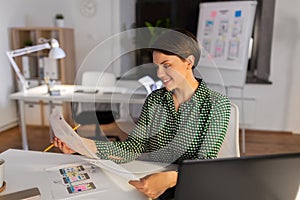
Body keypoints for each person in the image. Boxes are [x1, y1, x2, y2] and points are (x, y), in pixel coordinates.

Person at [54, 28, 231, 199]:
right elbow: (132, 148)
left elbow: (204, 165)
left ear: (189, 62)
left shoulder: (216, 105)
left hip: (191, 186)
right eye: (157, 66)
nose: (160, 73)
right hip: (150, 180)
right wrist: (81, 145)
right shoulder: (155, 100)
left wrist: (171, 178)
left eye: (167, 65)